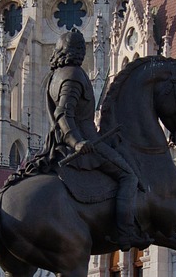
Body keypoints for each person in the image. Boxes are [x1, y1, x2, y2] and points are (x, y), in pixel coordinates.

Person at [40, 28, 145, 248]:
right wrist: (77, 142)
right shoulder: (73, 75)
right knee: (128, 176)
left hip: (62, 142)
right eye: (81, 49)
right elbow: (63, 113)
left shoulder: (54, 76)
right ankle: (125, 232)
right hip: (84, 143)